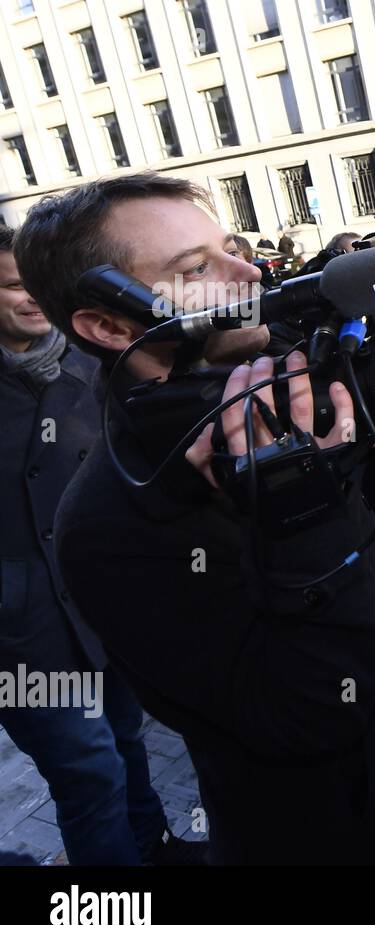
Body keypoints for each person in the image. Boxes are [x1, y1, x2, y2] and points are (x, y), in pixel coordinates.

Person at [15, 172, 375, 864]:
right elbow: (308, 710)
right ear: (108, 324)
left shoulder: (266, 392)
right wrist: (301, 511)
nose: (249, 271)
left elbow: (362, 556)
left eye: (230, 247)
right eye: (197, 267)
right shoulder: (105, 528)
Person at [0, 225, 192, 865]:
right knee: (89, 772)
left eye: (32, 283)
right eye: (9, 286)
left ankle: (154, 846)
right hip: (23, 642)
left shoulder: (94, 362)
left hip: (103, 607)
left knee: (126, 739)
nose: (28, 298)